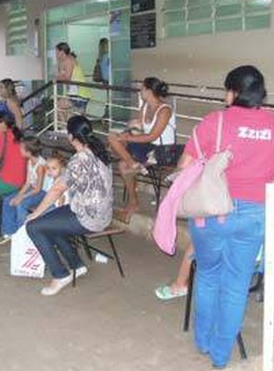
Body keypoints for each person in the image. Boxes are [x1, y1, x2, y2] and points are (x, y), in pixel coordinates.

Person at [178, 66, 274, 368]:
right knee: (237, 283)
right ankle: (221, 356)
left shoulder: (215, 122)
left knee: (209, 275)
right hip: (254, 214)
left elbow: (185, 165)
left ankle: (203, 341)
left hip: (211, 211)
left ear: (234, 92)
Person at [26, 115, 113, 296]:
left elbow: (57, 189)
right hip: (101, 213)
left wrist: (35, 214)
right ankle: (77, 265)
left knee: (34, 227)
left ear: (71, 137)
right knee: (50, 224)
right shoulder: (100, 152)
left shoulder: (78, 159)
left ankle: (60, 274)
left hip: (88, 217)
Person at [108, 77, 175, 222]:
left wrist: (127, 138)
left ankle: (133, 202)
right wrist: (127, 132)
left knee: (122, 165)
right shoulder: (144, 107)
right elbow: (139, 129)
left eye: (142, 89)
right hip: (146, 146)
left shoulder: (165, 110)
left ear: (149, 91)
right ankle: (133, 164)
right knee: (113, 137)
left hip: (162, 150)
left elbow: (152, 136)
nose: (140, 91)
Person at [0, 137, 48, 241]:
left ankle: (22, 234)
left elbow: (38, 189)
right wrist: (18, 195)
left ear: (28, 151)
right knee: (8, 200)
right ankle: (9, 232)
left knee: (21, 204)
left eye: (21, 148)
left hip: (43, 192)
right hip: (32, 189)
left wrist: (21, 198)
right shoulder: (30, 161)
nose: (19, 150)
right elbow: (27, 183)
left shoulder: (40, 166)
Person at [55, 42, 92, 120]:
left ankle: (65, 128)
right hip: (77, 93)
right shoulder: (67, 60)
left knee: (60, 106)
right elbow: (61, 75)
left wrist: (58, 78)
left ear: (62, 52)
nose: (56, 54)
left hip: (80, 93)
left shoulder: (69, 60)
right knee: (63, 109)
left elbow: (67, 77)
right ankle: (65, 128)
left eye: (57, 52)